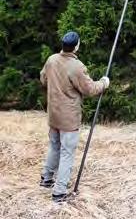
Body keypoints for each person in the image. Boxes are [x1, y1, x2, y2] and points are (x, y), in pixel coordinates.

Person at [40, 31, 110, 203]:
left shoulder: (51, 60)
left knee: (55, 146)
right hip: (68, 119)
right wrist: (104, 83)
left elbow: (43, 79)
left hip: (53, 115)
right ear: (76, 46)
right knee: (66, 153)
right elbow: (90, 89)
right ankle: (59, 192)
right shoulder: (76, 67)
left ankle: (46, 179)